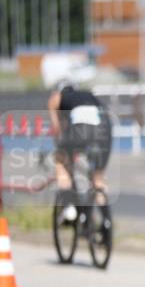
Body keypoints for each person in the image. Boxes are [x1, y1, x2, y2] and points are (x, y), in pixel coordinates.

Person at [47, 78, 112, 221]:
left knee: (61, 160)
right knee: (97, 179)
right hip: (104, 131)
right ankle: (106, 221)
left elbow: (57, 129)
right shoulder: (88, 95)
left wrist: (60, 145)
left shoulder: (58, 97)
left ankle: (69, 207)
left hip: (81, 131)